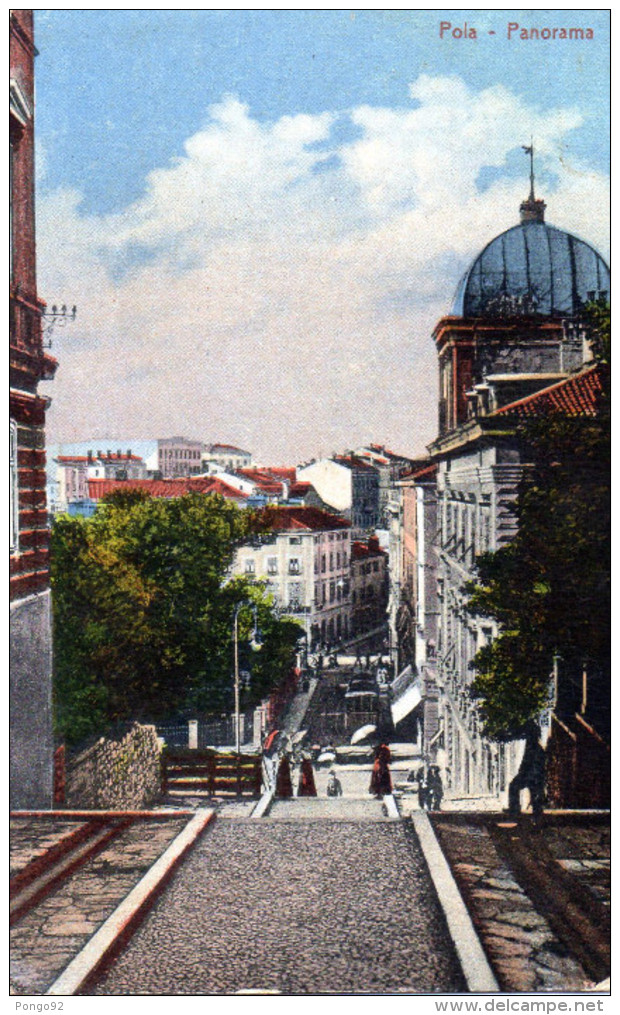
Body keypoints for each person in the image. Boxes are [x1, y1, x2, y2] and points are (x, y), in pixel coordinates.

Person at [508, 720, 545, 818]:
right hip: (535, 775)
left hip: (530, 775)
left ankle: (514, 809)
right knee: (534, 793)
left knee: (513, 786)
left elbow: (527, 763)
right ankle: (536, 811)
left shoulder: (532, 748)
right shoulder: (537, 747)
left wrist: (522, 773)